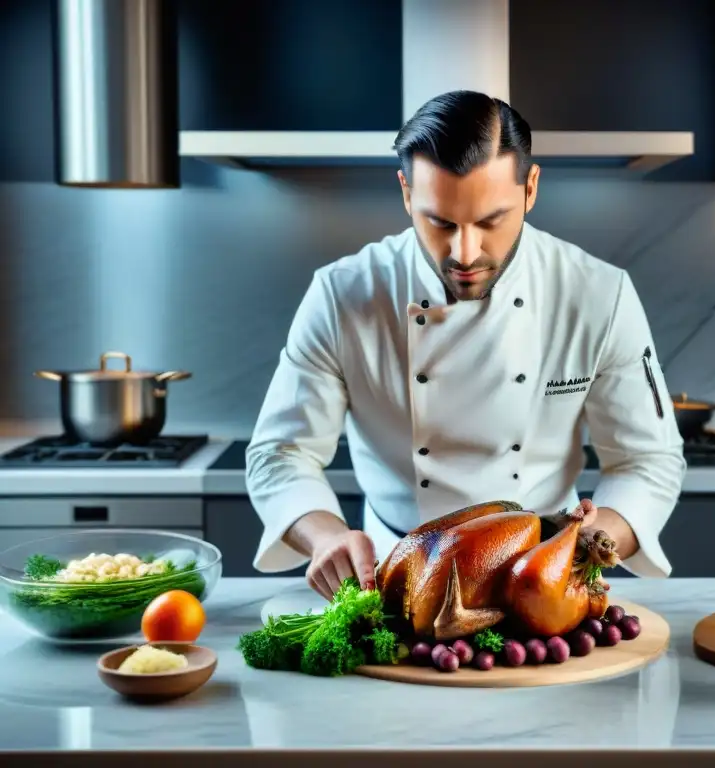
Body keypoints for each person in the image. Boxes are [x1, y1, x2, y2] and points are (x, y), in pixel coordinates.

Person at [245, 90, 685, 601]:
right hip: (390, 576)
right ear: (407, 192)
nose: (466, 252)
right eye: (441, 223)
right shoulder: (344, 294)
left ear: (531, 188)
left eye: (490, 221)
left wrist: (595, 539)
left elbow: (647, 459)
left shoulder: (598, 295)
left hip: (543, 580)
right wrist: (325, 538)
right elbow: (282, 452)